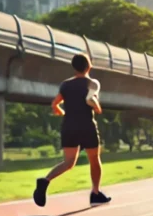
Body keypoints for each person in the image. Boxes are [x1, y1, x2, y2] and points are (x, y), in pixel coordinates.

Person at [34, 54, 111, 206]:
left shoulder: (65, 84)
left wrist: (60, 111)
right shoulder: (92, 83)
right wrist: (98, 107)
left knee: (68, 162)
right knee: (94, 160)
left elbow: (55, 103)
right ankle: (95, 193)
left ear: (74, 68)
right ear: (89, 66)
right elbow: (91, 100)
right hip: (87, 125)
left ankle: (45, 181)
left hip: (69, 126)